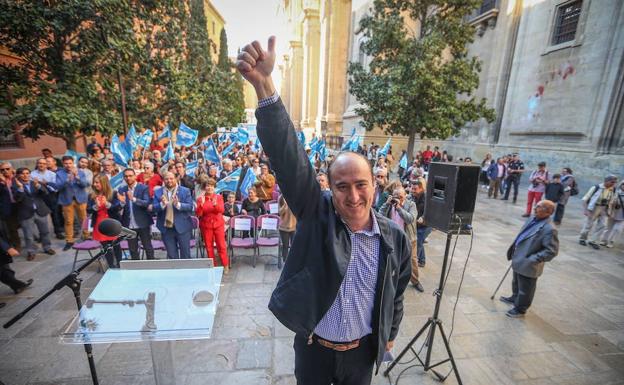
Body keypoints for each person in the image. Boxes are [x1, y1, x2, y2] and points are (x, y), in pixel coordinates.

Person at [237, 36, 411, 384]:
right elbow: (289, 158)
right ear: (329, 189)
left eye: (361, 184)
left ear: (374, 186)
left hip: (361, 357)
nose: (354, 195)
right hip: (315, 351)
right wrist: (265, 85)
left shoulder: (394, 237)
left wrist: (389, 333)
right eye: (342, 186)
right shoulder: (318, 217)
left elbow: (398, 290)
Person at [500, 200, 559, 317]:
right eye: (536, 206)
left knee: (526, 289)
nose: (534, 208)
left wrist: (533, 259)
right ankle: (515, 298)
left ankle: (520, 309)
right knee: (516, 281)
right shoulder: (532, 219)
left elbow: (551, 251)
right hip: (519, 257)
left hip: (529, 263)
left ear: (548, 212)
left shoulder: (550, 229)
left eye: (538, 207)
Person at [379, 186, 423, 292]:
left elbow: (410, 219)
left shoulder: (411, 204)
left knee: (412, 260)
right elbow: (380, 215)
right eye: (396, 196)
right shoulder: (390, 204)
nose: (398, 198)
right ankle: (390, 280)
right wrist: (387, 204)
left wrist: (399, 208)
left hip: (408, 238)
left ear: (405, 196)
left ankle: (415, 281)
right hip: (393, 237)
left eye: (400, 197)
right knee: (391, 259)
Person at [12, 167, 55, 260]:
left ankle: (47, 247)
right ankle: (31, 252)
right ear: (18, 175)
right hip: (26, 213)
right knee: (28, 235)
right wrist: (20, 188)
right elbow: (17, 199)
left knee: (45, 232)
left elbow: (45, 193)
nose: (25, 175)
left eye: (27, 173)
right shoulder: (15, 185)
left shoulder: (35, 183)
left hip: (40, 211)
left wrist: (39, 186)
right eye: (23, 173)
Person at [153, 172, 194, 259]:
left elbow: (190, 206)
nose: (169, 181)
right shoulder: (158, 192)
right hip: (166, 228)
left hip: (182, 227)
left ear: (176, 179)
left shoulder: (185, 191)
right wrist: (162, 204)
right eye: (167, 179)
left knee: (185, 254)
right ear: (164, 180)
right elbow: (154, 208)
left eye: (171, 178)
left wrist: (178, 205)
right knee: (172, 255)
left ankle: (185, 272)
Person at [117, 169, 155, 260]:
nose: (128, 178)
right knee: (132, 249)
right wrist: (121, 203)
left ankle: (152, 268)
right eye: (126, 176)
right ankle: (136, 270)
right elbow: (118, 208)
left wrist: (133, 199)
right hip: (129, 224)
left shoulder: (143, 188)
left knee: (148, 247)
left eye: (130, 176)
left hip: (142, 223)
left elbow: (146, 203)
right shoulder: (122, 189)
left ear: (135, 176)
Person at [88, 174, 122, 268]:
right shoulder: (92, 195)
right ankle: (111, 266)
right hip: (100, 225)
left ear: (103, 183)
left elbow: (117, 208)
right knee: (106, 248)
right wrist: (96, 207)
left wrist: (107, 204)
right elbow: (88, 210)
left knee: (116, 246)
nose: (95, 184)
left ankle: (120, 265)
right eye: (94, 182)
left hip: (112, 224)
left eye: (97, 182)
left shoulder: (113, 193)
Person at [56, 156, 90, 250]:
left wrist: (77, 177)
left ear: (73, 163)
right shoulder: (59, 174)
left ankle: (86, 236)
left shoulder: (80, 172)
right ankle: (69, 240)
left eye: (70, 163)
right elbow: (58, 187)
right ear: (63, 164)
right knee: (68, 221)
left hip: (80, 199)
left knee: (83, 219)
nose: (68, 165)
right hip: (67, 200)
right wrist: (68, 180)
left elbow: (85, 184)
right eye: (66, 163)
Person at [196, 178, 229, 271]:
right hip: (206, 225)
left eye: (211, 186)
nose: (209, 187)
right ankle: (213, 266)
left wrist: (215, 205)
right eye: (207, 186)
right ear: (204, 187)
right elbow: (199, 214)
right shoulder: (200, 199)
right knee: (209, 246)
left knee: (221, 245)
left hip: (218, 224)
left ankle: (225, 264)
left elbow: (221, 210)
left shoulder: (218, 197)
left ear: (214, 187)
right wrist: (201, 206)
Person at [579, 175, 618, 249]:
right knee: (589, 224)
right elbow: (585, 199)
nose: (613, 184)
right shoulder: (596, 187)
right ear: (606, 181)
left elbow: (612, 201)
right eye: (612, 182)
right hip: (594, 207)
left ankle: (593, 241)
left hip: (605, 208)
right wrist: (586, 210)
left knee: (602, 225)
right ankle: (582, 238)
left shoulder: (613, 189)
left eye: (614, 182)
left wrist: (610, 211)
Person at [31, 157, 64, 239]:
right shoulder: (32, 174)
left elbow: (55, 188)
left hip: (50, 195)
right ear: (37, 164)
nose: (41, 165)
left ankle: (58, 232)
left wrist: (44, 184)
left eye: (44, 163)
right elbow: (31, 186)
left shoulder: (52, 174)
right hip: (38, 197)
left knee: (55, 214)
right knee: (38, 216)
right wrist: (43, 185)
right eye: (39, 163)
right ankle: (40, 235)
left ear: (46, 165)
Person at [409, 180, 431, 268]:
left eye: (415, 189)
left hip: (426, 225)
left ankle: (414, 262)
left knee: (418, 242)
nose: (413, 190)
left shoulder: (426, 198)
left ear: (421, 188)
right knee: (419, 241)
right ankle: (422, 261)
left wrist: (423, 217)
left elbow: (429, 210)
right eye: (412, 188)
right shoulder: (413, 196)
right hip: (417, 224)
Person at [0, 162, 20, 250]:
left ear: (12, 169)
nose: (5, 171)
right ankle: (17, 245)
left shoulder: (17, 178)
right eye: (2, 170)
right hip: (8, 207)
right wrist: (3, 183)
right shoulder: (0, 182)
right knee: (12, 228)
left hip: (20, 206)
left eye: (7, 169)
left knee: (26, 224)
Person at [600, 181, 624, 248]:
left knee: (617, 229)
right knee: (608, 228)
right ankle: (604, 240)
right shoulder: (615, 192)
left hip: (622, 215)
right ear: (621, 185)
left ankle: (611, 241)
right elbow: (609, 201)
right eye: (623, 184)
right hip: (612, 213)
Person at [278, 194, 296, 265]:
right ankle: (285, 262)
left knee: (294, 246)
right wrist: (285, 205)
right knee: (285, 246)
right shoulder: (281, 198)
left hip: (294, 226)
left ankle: (293, 262)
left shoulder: (295, 197)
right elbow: (280, 212)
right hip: (283, 227)